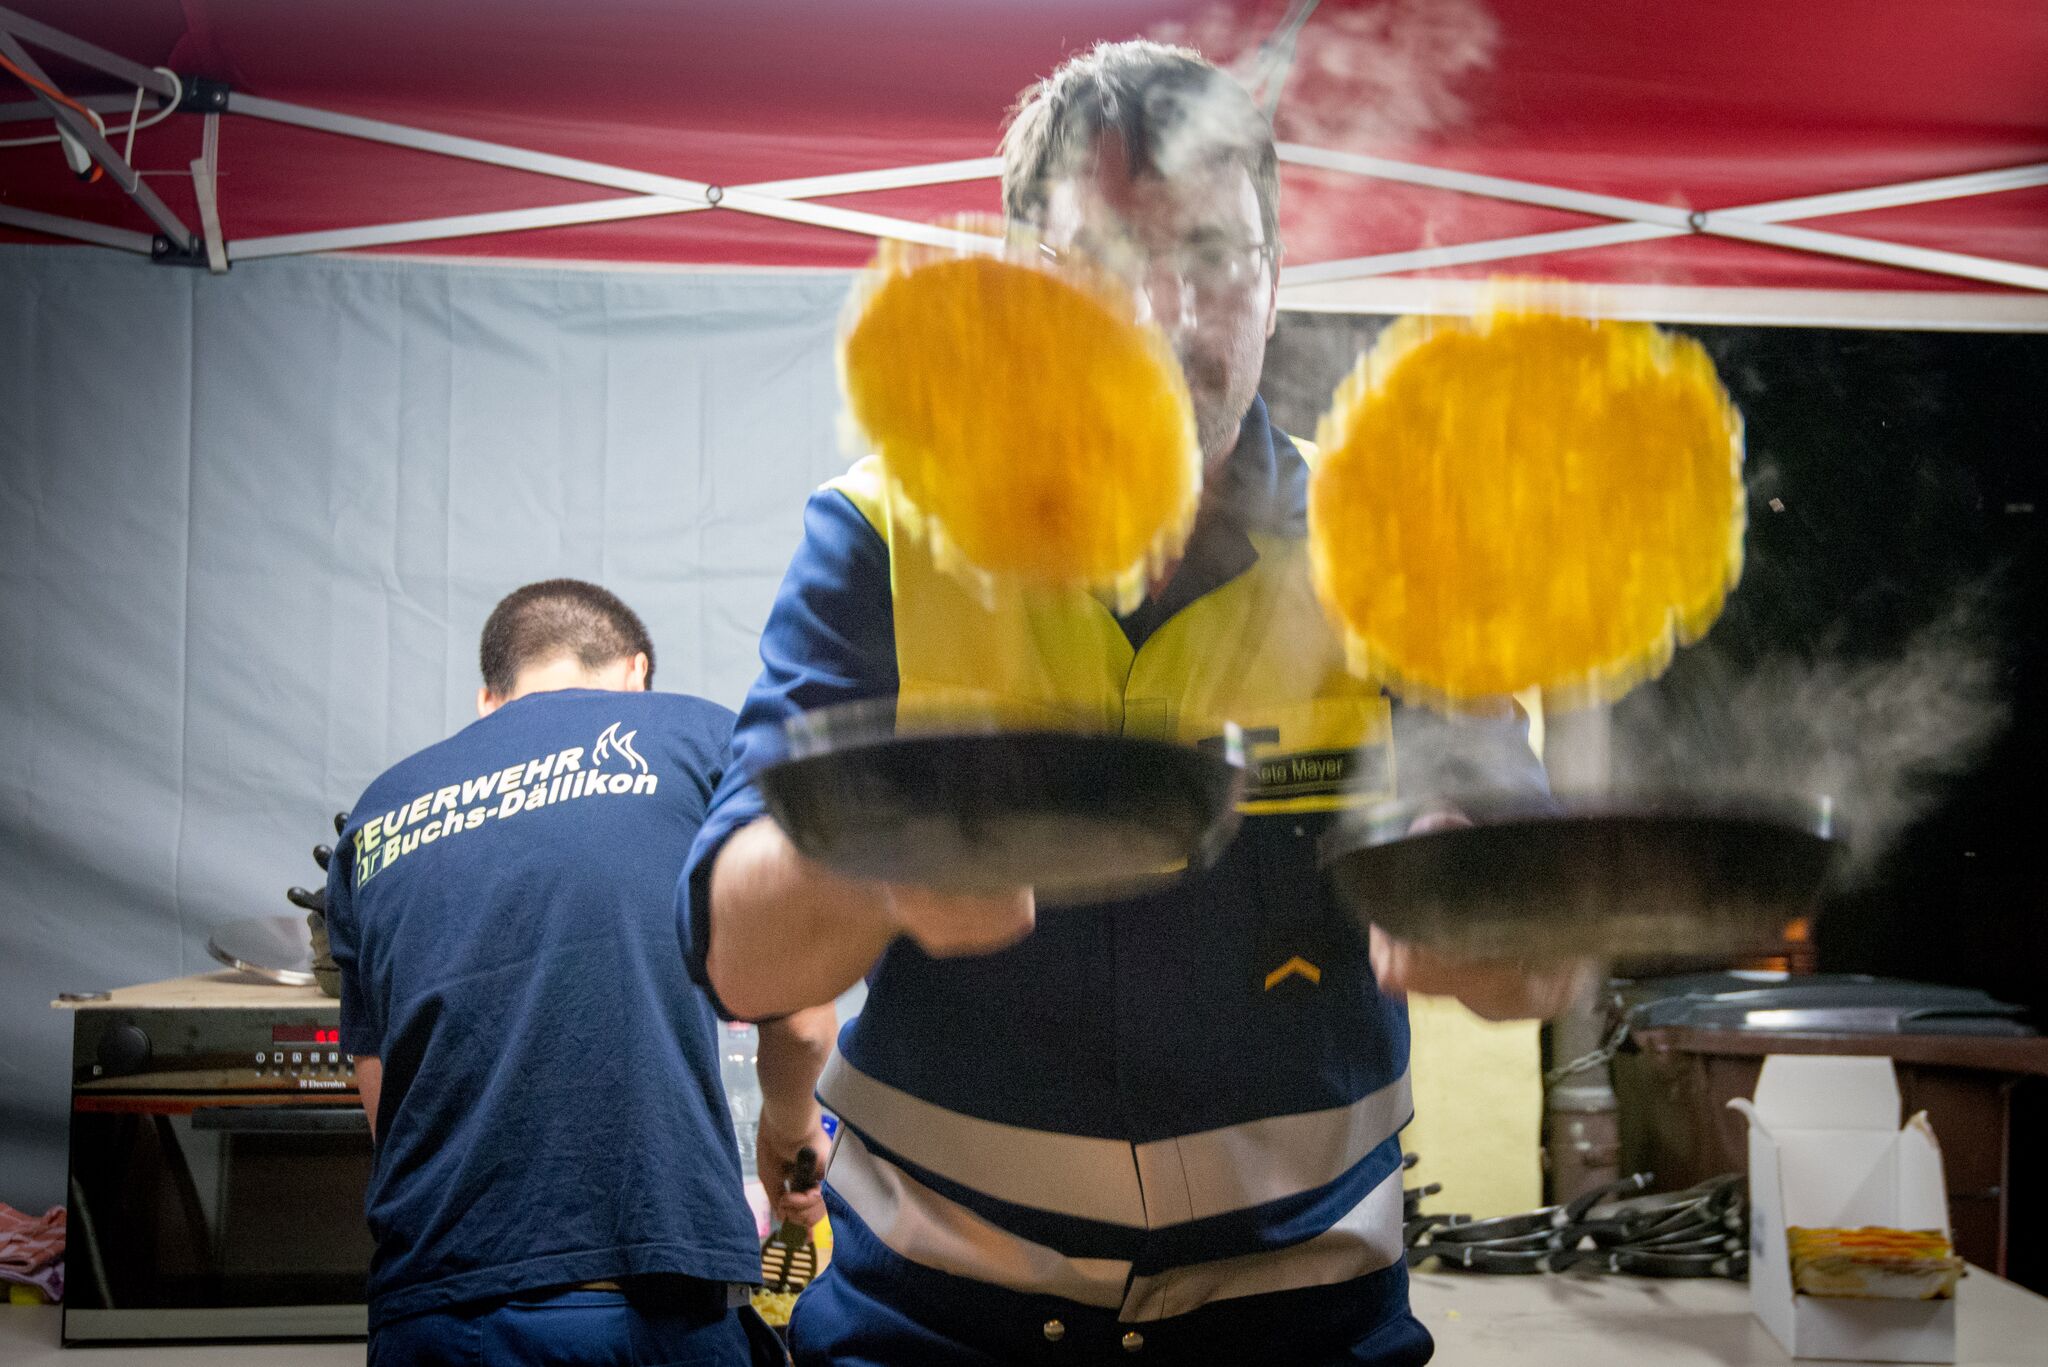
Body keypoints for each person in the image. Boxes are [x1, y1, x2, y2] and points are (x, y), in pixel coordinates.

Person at [683, 43, 1577, 1366]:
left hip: (1305, 1326)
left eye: (1216, 254)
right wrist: (883, 859)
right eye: (1102, 261)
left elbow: (1546, 960)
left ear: (1275, 284)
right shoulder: (884, 531)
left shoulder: (1389, 546)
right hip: (929, 1325)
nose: (1165, 310)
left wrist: (1490, 921)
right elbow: (739, 960)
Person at [324, 579, 832, 1366]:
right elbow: (800, 1018)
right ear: (635, 673)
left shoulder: (378, 812)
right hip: (643, 1307)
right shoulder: (703, 740)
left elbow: (384, 1104)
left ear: (489, 698)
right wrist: (790, 1134)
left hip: (426, 1314)